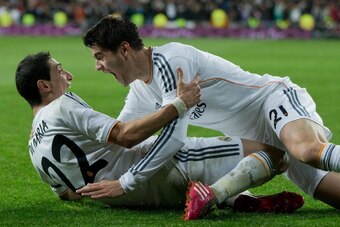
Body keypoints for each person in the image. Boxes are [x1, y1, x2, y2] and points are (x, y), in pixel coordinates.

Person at [81, 15, 340, 213]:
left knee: (307, 150)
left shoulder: (171, 61)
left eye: (100, 56)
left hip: (270, 101)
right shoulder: (141, 90)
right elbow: (123, 135)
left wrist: (126, 183)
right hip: (256, 136)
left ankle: (218, 195)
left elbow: (174, 138)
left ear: (124, 49)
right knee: (328, 192)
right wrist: (69, 145)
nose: (97, 66)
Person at [15, 52, 303, 220]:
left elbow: (68, 195)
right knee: (277, 156)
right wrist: (179, 104)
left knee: (222, 169)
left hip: (124, 199)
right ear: (43, 85)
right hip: (151, 169)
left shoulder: (32, 144)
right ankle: (217, 195)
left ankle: (235, 198)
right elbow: (125, 135)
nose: (68, 75)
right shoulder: (62, 106)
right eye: (59, 70)